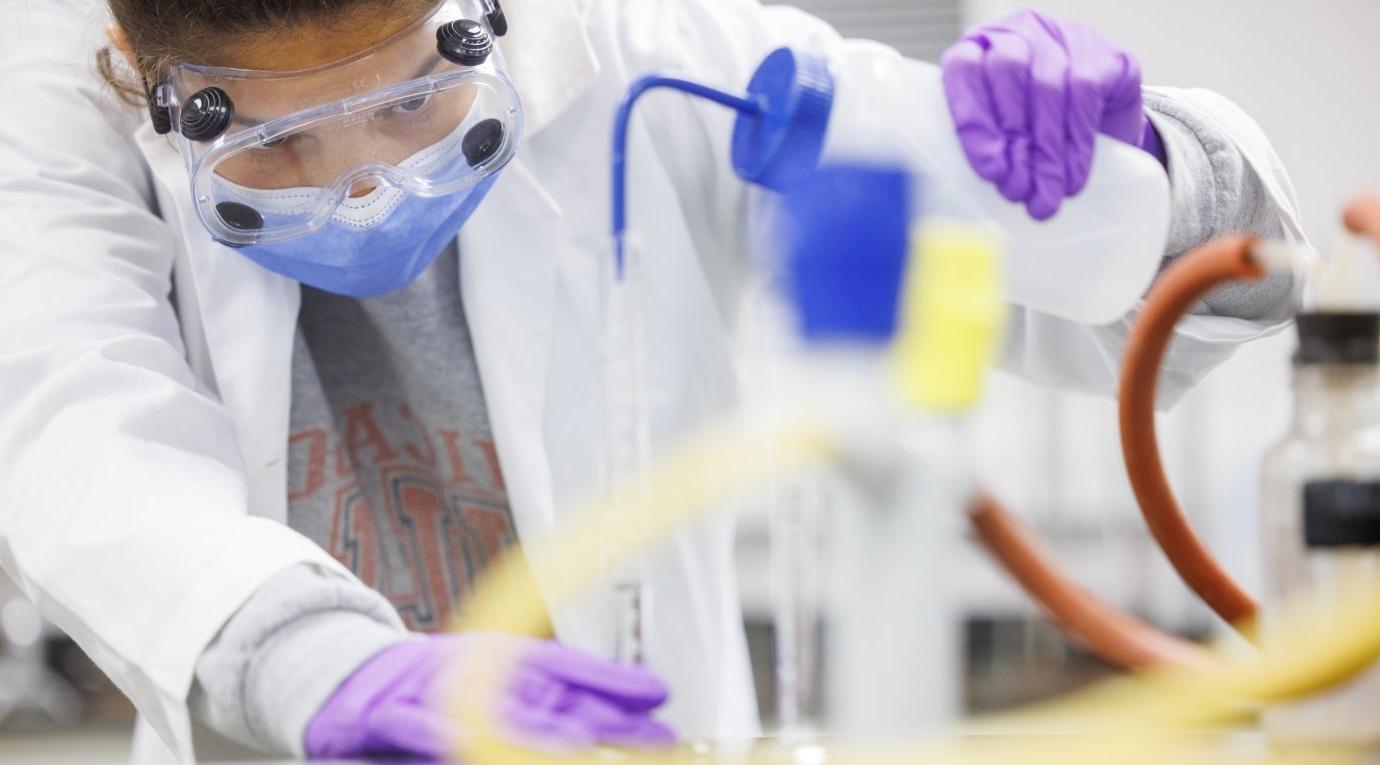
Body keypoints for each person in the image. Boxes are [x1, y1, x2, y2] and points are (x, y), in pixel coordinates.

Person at [0, 0, 1303, 761]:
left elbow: (1179, 277)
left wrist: (1138, 167)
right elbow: (68, 412)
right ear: (144, 71)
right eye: (276, 145)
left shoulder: (631, 54)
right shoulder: (54, 114)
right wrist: (310, 664)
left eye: (411, 104)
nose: (364, 183)